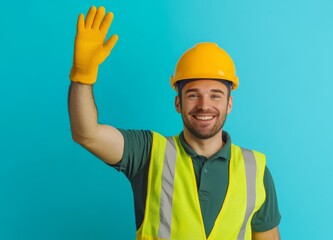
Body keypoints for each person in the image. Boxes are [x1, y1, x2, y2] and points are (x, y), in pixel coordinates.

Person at [68, 6, 281, 240]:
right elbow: (86, 134)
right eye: (193, 95)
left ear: (229, 104)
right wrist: (82, 78)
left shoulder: (255, 170)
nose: (204, 105)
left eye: (215, 95)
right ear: (178, 103)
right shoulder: (148, 152)